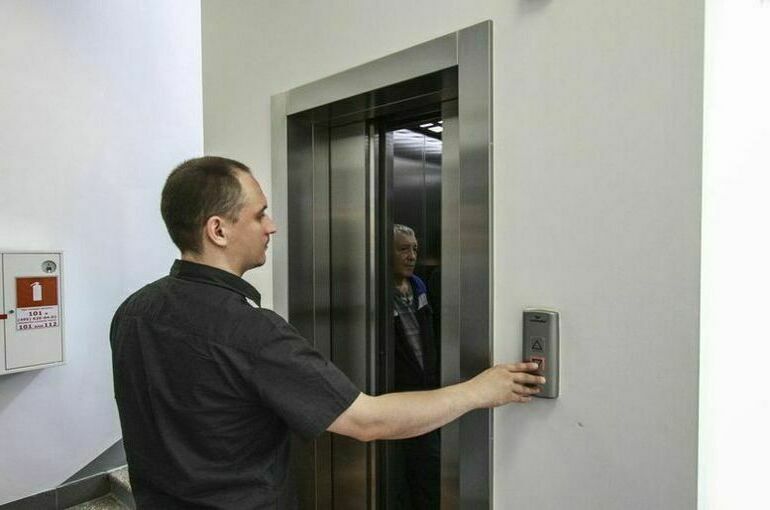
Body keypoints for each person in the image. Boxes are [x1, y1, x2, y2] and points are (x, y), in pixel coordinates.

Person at [110, 156, 545, 509]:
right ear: (218, 230)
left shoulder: (132, 312)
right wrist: (480, 390)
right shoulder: (251, 332)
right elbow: (368, 420)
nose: (271, 226)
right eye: (260, 214)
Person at [390, 224, 440, 509]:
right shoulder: (379, 293)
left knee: (429, 472)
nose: (411, 256)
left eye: (415, 249)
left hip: (426, 393)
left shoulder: (420, 287)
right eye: (403, 249)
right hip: (395, 398)